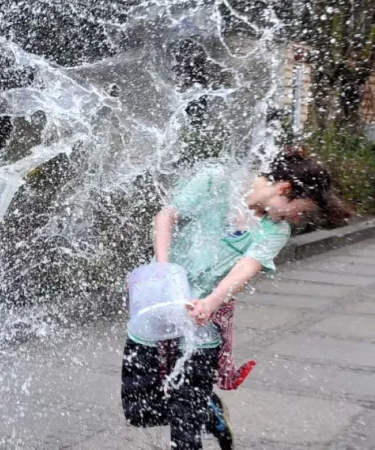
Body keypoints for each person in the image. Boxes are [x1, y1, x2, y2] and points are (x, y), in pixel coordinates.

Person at [120, 148, 352, 450]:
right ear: (284, 189)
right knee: (139, 411)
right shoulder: (215, 182)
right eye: (301, 210)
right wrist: (164, 270)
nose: (298, 219)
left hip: (202, 324)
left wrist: (210, 303)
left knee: (185, 424)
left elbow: (244, 269)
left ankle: (194, 412)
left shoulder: (275, 230)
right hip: (157, 308)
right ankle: (210, 409)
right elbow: (167, 216)